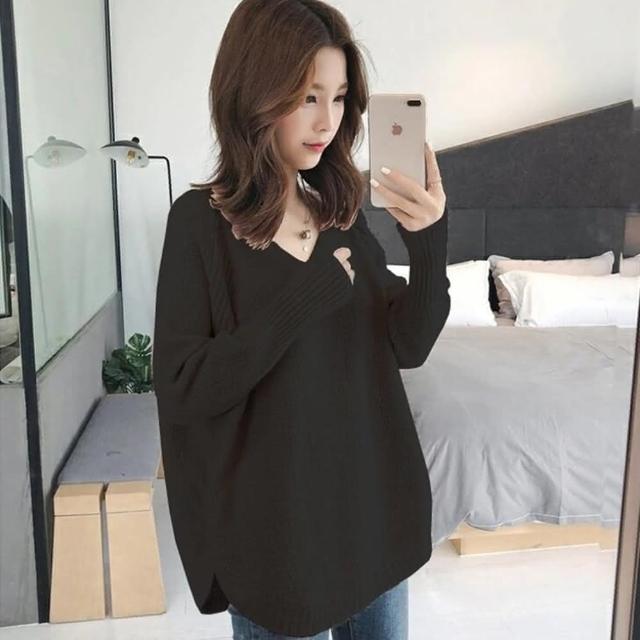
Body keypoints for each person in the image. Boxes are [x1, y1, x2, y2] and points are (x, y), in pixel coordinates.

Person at [152, 0, 450, 637]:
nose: (326, 121)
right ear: (254, 91)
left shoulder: (340, 216)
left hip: (372, 519)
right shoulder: (199, 224)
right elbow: (182, 385)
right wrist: (302, 301)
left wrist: (428, 242)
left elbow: (408, 344)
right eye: (308, 96)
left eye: (339, 99)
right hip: (276, 548)